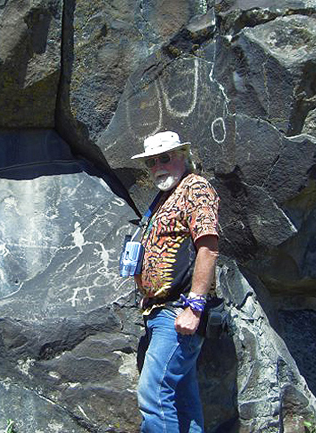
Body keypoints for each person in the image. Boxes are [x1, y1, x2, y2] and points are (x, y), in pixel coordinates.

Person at [131, 130, 221, 433]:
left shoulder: (195, 188)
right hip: (158, 312)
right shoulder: (162, 198)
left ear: (182, 156)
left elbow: (208, 246)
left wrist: (195, 306)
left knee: (153, 392)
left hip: (179, 310)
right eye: (152, 161)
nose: (158, 165)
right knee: (183, 400)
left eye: (165, 158)